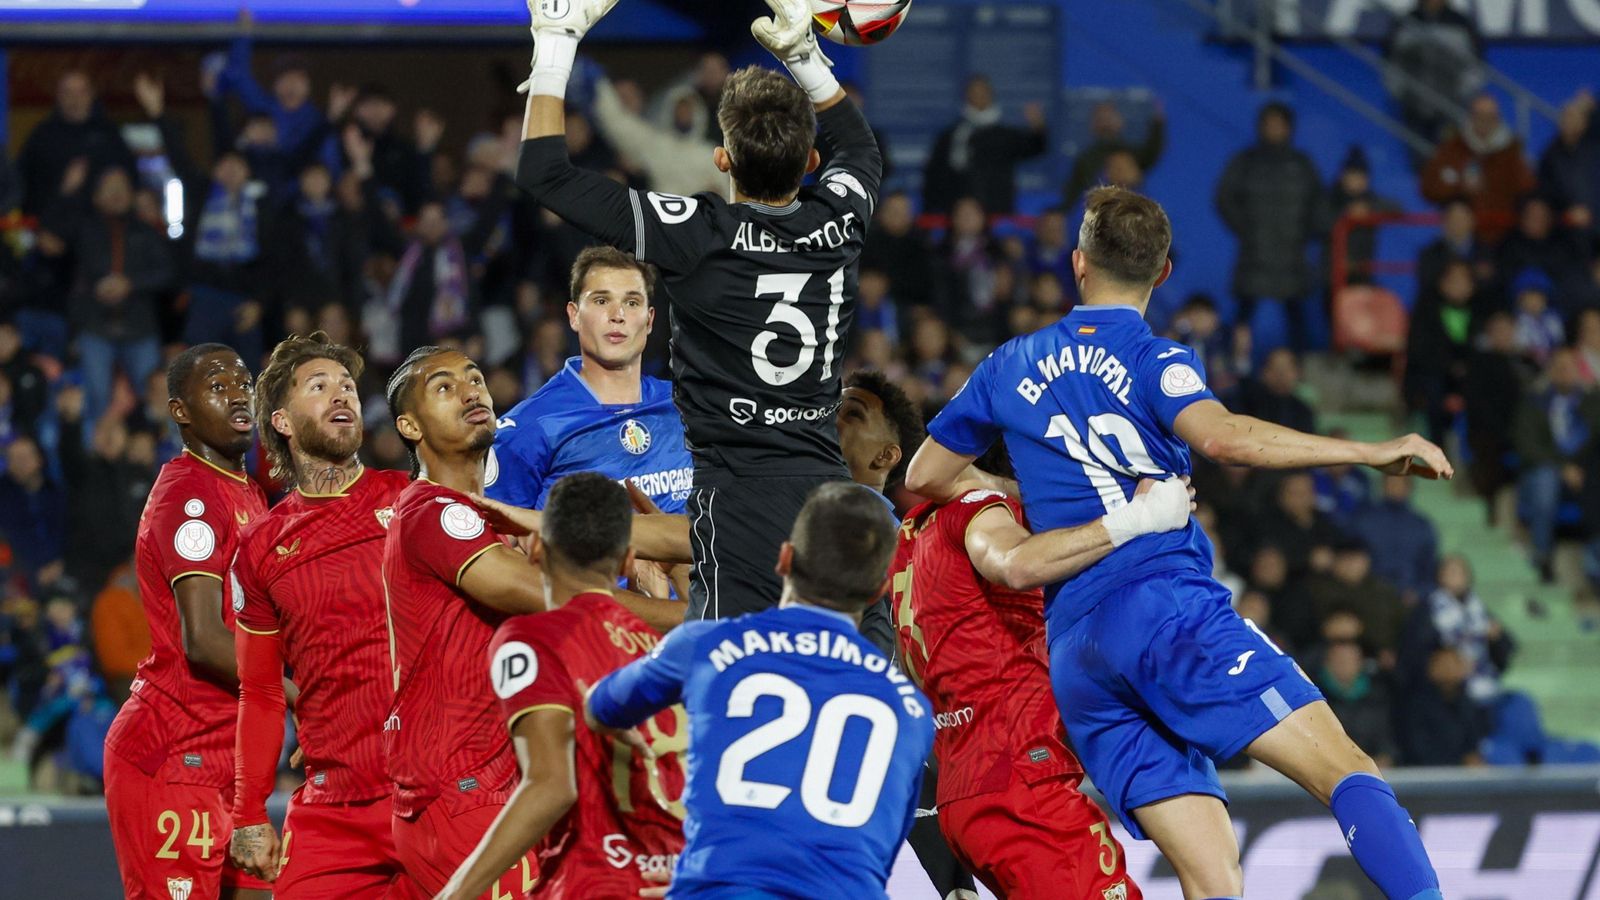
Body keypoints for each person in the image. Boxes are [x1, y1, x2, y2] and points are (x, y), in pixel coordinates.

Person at [905, 187, 1446, 900]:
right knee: (1347, 770)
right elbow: (1225, 439)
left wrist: (1022, 489)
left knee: (1212, 875)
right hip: (1165, 612)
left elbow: (924, 476)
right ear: (1162, 274)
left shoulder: (1007, 364)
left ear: (1078, 263)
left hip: (1078, 655)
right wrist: (1370, 451)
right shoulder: (1157, 359)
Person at [512, 0, 884, 622]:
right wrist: (805, 58)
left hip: (735, 504)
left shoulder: (695, 233)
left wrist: (556, 42)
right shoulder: (841, 219)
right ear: (811, 164)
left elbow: (543, 173)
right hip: (829, 494)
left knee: (735, 669)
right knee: (855, 665)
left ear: (722, 160)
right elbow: (860, 147)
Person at [380, 345, 679, 899]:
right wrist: (690, 621)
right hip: (467, 785)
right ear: (409, 426)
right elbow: (553, 599)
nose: (470, 391)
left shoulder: (492, 518)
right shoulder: (434, 512)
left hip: (503, 778)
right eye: (443, 387)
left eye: (474, 378)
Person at [582, 482, 934, 899]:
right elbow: (879, 852)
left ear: (784, 558)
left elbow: (599, 708)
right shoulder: (911, 710)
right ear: (879, 590)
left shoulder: (705, 646)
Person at [892, 446, 1194, 899]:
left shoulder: (914, 532)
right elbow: (1017, 564)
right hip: (1021, 781)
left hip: (966, 783)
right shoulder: (985, 512)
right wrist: (1137, 516)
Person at [440, 474, 685, 899]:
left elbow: (552, 785)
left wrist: (455, 894)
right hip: (673, 878)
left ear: (536, 549)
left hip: (592, 882)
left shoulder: (532, 640)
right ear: (627, 562)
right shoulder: (661, 651)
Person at [227, 334, 408, 894]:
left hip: (433, 793)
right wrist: (248, 812)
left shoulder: (411, 501)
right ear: (282, 421)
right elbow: (260, 691)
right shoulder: (260, 547)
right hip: (333, 807)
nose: (342, 394)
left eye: (348, 386)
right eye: (320, 385)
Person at [102, 344, 272, 900]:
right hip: (176, 750)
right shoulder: (189, 494)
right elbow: (202, 639)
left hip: (229, 755)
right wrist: (300, 696)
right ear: (180, 411)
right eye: (217, 386)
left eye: (243, 382)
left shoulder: (248, 491)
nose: (238, 394)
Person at [488, 247, 692, 514]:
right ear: (574, 316)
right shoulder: (530, 426)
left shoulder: (686, 406)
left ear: (650, 320)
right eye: (601, 301)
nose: (617, 315)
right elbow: (496, 532)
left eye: (632, 302)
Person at [1214, 102, 1328, 352]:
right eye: (1269, 124)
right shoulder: (1246, 162)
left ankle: (1299, 368)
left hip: (1292, 257)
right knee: (1244, 315)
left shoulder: (1302, 164)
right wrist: (1247, 230)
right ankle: (1234, 367)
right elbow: (1224, 198)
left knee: (1297, 319)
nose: (1274, 129)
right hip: (1254, 255)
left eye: (1279, 124)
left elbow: (1319, 203)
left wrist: (1304, 233)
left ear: (1289, 128)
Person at [922, 75, 1048, 216]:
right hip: (958, 214)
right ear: (966, 96)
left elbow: (1035, 148)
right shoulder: (951, 135)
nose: (978, 97)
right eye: (974, 92)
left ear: (991, 95)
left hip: (997, 212)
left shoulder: (1005, 135)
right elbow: (935, 175)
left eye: (983, 92)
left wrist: (1038, 129)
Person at [1421, 93, 1536, 244]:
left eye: (1490, 117)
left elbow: (1527, 188)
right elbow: (1429, 187)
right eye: (1480, 116)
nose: (1485, 121)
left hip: (1504, 237)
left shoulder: (1511, 152)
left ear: (1497, 119)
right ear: (1471, 117)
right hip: (1462, 237)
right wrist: (1460, 187)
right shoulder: (1453, 148)